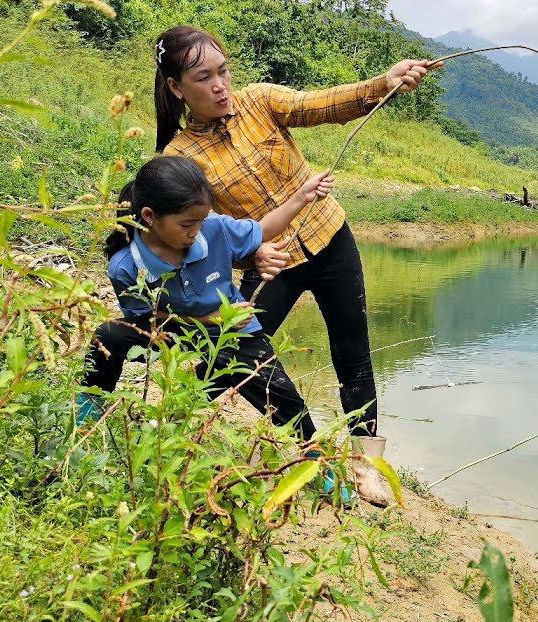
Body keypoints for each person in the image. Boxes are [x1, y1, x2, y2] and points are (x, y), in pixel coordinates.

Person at [152, 25, 439, 506]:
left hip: (330, 239)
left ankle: (365, 466)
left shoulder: (261, 101)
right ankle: (310, 455)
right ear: (177, 88)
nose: (220, 85)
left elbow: (324, 104)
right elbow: (196, 235)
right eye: (204, 78)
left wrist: (384, 83)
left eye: (223, 71)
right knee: (232, 352)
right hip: (271, 266)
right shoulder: (180, 158)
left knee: (353, 354)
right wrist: (248, 253)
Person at [75, 156, 355, 504]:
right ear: (149, 217)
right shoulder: (127, 265)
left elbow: (262, 230)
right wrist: (208, 320)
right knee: (110, 334)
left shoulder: (213, 229)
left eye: (200, 221)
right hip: (174, 327)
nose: (196, 232)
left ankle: (316, 461)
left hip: (233, 329)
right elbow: (147, 316)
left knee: (282, 395)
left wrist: (302, 196)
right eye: (186, 225)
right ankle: (88, 407)